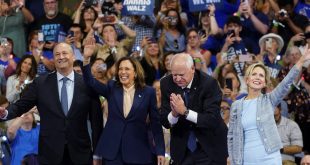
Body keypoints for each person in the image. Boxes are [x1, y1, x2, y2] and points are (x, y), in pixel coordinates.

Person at [0, 42, 103, 164]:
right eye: (57, 54)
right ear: (53, 59)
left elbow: (96, 122)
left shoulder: (87, 84)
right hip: (50, 154)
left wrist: (97, 155)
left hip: (80, 153)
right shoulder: (40, 83)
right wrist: (5, 113)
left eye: (64, 53)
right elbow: (21, 105)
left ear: (73, 56)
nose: (61, 57)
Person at [82, 40, 165, 165]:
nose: (123, 72)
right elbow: (90, 82)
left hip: (138, 151)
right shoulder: (112, 87)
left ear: (135, 73)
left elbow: (155, 124)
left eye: (127, 69)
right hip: (112, 152)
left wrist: (160, 151)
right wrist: (86, 59)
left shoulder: (148, 92)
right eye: (120, 69)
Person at [228, 45, 310, 165]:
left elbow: (286, 83)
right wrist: (232, 158)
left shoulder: (269, 100)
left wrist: (301, 61)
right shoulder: (236, 105)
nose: (257, 77)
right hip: (245, 159)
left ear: (264, 83)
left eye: (261, 75)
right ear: (247, 79)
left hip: (270, 158)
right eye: (254, 74)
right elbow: (231, 136)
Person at [160, 53, 228, 164]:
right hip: (182, 149)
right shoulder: (166, 83)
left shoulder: (208, 83)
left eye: (181, 75)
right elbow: (165, 121)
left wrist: (185, 112)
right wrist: (174, 114)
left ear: (192, 69)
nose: (177, 79)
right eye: (174, 75)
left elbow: (211, 119)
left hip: (209, 146)